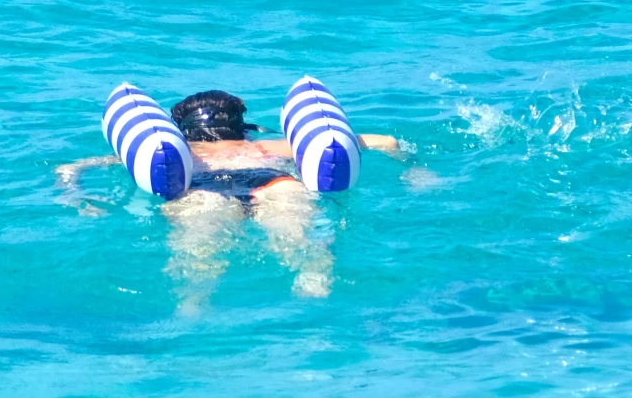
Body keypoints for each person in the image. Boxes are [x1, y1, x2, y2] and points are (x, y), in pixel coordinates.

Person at [56, 88, 405, 305]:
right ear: (241, 124)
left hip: (203, 188)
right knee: (298, 243)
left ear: (181, 128)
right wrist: (413, 168)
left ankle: (193, 307)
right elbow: (384, 141)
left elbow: (70, 168)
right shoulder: (272, 146)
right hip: (273, 181)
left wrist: (76, 197)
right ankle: (315, 289)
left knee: (200, 259)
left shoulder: (183, 153)